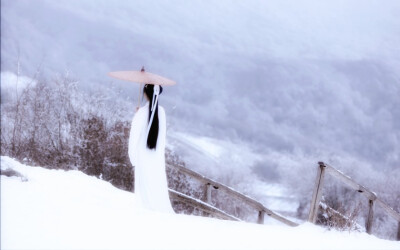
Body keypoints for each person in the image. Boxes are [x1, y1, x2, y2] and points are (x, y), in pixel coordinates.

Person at [128, 84, 174, 213]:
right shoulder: (162, 112)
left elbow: (134, 137)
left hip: (143, 155)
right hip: (156, 156)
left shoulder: (142, 113)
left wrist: (132, 156)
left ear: (145, 94)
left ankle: (146, 210)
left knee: (144, 185)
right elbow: (162, 137)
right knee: (156, 182)